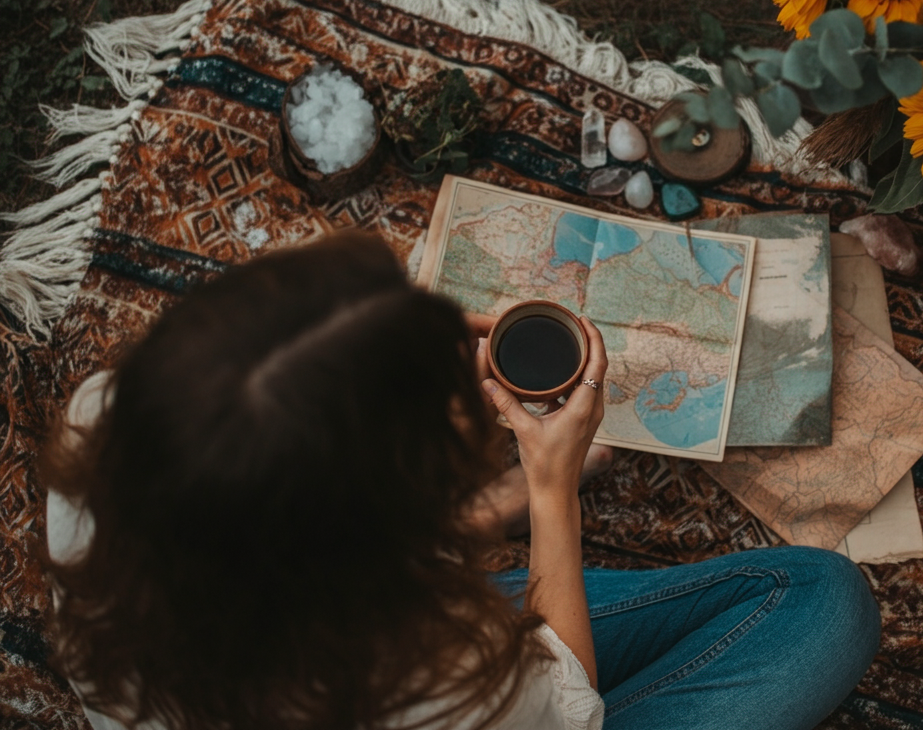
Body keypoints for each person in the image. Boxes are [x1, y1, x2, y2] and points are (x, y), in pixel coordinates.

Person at [42, 232, 880, 730]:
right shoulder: (436, 666)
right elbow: (565, 707)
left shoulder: (105, 421)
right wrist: (550, 495)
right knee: (825, 607)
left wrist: (388, 343)